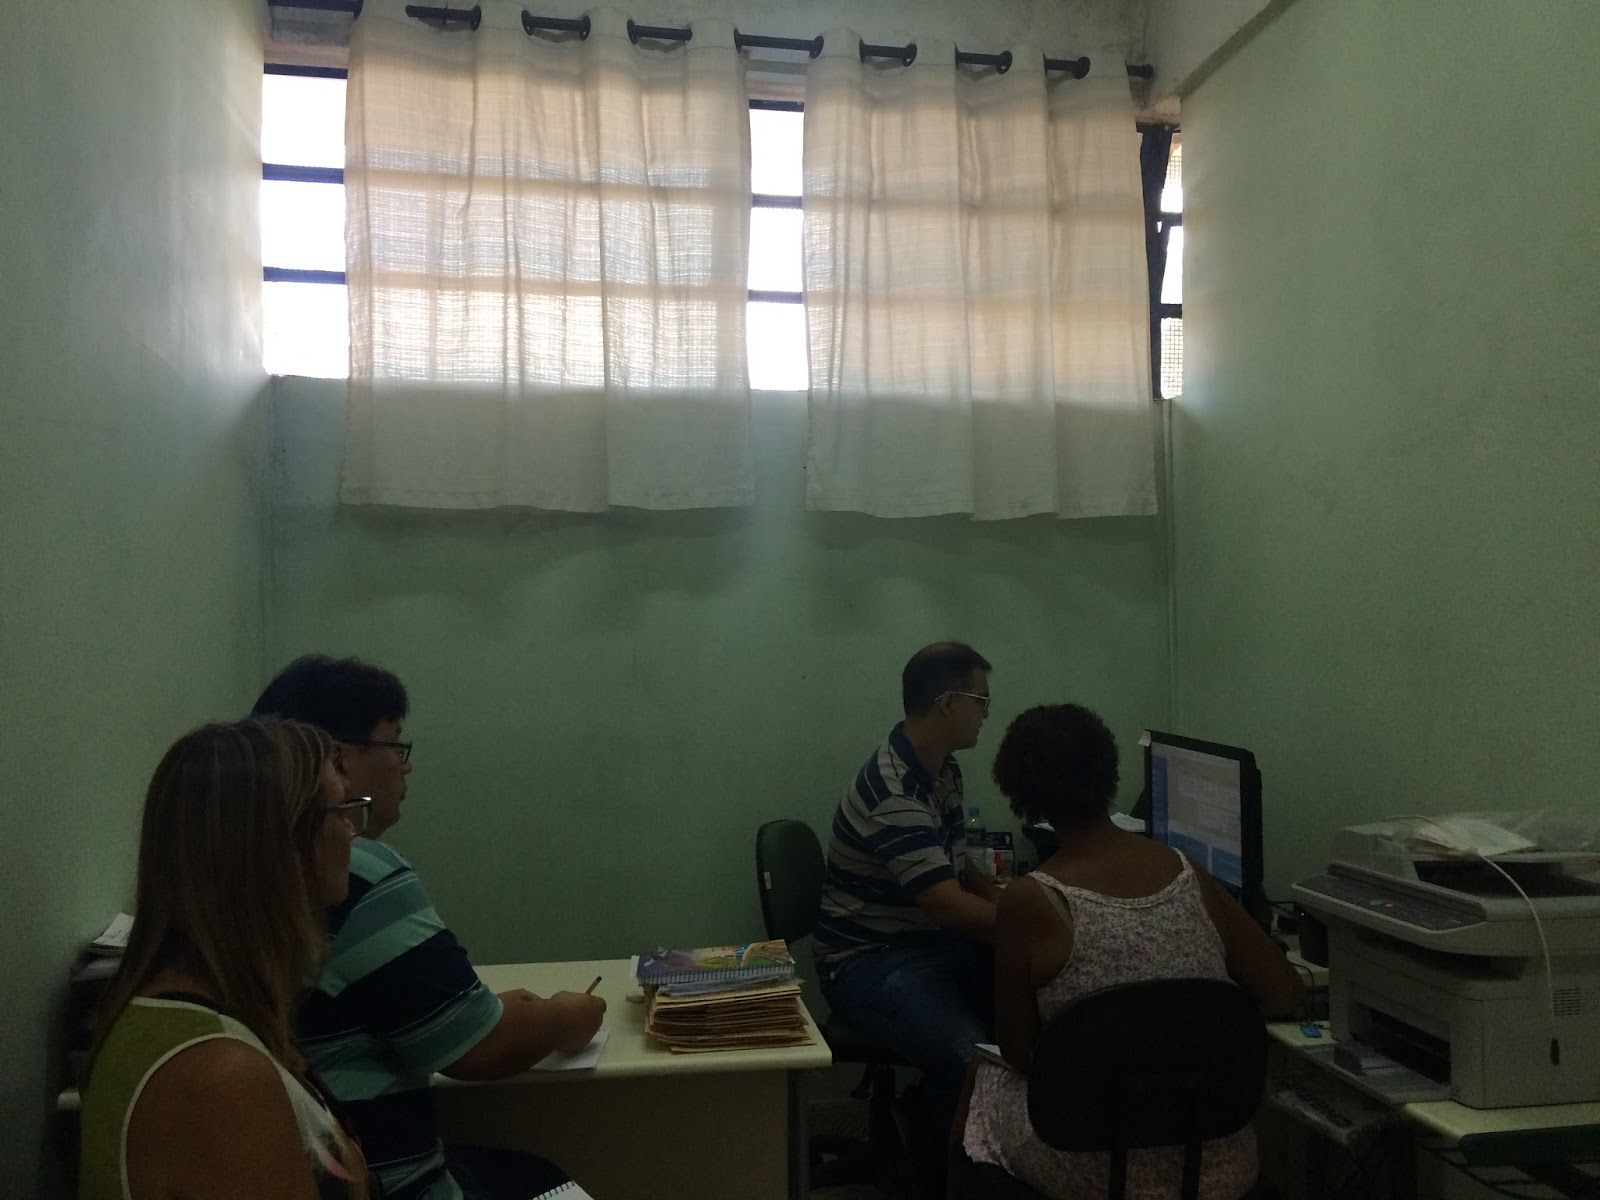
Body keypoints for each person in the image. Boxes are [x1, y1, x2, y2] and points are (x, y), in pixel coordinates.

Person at [252, 655, 605, 1200]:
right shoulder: (352, 870)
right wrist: (567, 1015)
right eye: (395, 745)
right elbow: (478, 1049)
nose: (406, 766)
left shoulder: (241, 865)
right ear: (338, 758)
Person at [957, 704, 1305, 1199]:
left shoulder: (1029, 899)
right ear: (1107, 771)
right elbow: (1283, 993)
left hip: (1095, 1169)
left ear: (1021, 793)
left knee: (982, 1077)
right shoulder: (1188, 872)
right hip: (1215, 1169)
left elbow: (1018, 1050)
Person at [79, 718, 371, 1200]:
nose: (352, 831)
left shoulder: (181, 1011)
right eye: (340, 810)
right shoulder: (220, 1076)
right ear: (278, 848)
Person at [813, 642, 1002, 1186]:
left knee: (1028, 1014)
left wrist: (1018, 900)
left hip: (924, 944)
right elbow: (947, 907)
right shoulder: (891, 789)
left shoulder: (942, 771)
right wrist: (1038, 928)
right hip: (865, 959)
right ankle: (930, 1169)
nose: (987, 713)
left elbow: (960, 869)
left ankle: (926, 1120)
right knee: (969, 1057)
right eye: (981, 701)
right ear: (948, 703)